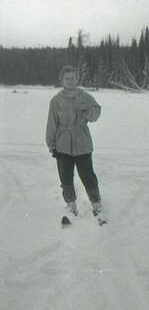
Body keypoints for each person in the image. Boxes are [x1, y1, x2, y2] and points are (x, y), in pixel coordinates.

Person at [46, 65, 103, 219]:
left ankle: (96, 203)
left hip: (82, 142)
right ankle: (71, 204)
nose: (70, 81)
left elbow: (95, 115)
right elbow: (51, 124)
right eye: (67, 78)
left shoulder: (84, 96)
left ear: (77, 79)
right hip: (62, 144)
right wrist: (51, 144)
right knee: (65, 176)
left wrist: (87, 110)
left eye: (73, 78)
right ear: (62, 80)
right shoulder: (56, 101)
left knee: (87, 174)